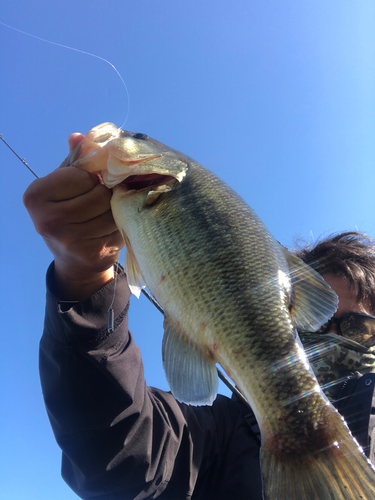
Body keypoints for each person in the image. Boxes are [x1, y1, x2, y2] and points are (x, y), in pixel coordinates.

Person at [23, 136, 375, 499]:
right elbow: (122, 453)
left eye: (356, 327)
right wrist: (85, 280)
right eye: (310, 326)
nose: (326, 335)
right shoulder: (224, 435)